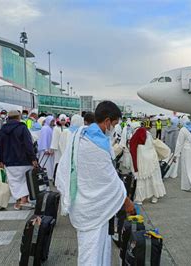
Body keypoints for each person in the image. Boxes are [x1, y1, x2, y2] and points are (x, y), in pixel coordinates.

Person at [55, 101, 135, 265]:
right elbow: (109, 181)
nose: (113, 129)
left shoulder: (81, 134)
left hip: (86, 204)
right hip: (92, 208)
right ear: (107, 122)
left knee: (99, 249)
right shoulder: (96, 145)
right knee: (91, 253)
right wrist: (126, 201)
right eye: (114, 124)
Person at [0, 110, 37, 210]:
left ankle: (18, 202)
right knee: (25, 181)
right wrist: (33, 158)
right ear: (18, 118)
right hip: (24, 160)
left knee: (14, 182)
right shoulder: (22, 128)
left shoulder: (2, 130)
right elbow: (28, 145)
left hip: (9, 162)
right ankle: (24, 200)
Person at [130, 122, 166, 204]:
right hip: (152, 158)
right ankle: (155, 197)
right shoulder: (148, 133)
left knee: (142, 178)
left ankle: (140, 199)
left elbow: (132, 150)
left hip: (141, 159)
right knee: (154, 177)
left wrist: (134, 165)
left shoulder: (134, 135)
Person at [50, 114, 69, 179]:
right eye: (62, 120)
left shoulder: (67, 128)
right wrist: (53, 148)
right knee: (57, 163)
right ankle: (55, 178)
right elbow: (54, 138)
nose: (63, 121)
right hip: (58, 149)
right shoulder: (56, 128)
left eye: (64, 120)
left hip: (65, 149)